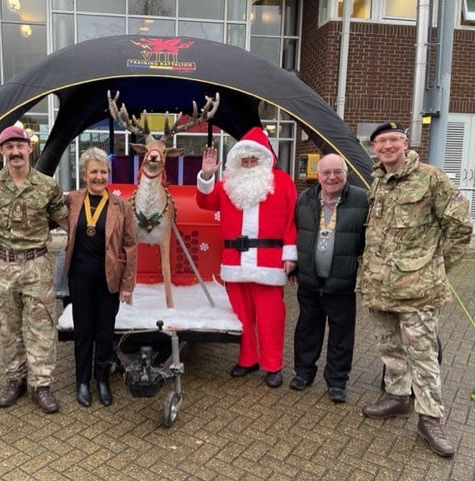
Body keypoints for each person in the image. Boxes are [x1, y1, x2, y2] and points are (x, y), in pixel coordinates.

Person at [357, 121, 473, 457]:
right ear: (374, 148)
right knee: (390, 349)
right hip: (380, 285)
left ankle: (430, 419)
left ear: (405, 143)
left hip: (419, 289)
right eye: (381, 141)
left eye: (394, 139)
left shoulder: (431, 177)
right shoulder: (378, 180)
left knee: (423, 357)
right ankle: (397, 398)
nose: (387, 146)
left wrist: (436, 269)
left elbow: (460, 228)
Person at [196, 127, 297, 388]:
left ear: (264, 160)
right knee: (240, 315)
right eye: (245, 160)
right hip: (235, 261)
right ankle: (247, 359)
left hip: (269, 261)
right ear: (238, 162)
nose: (249, 164)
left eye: (254, 160)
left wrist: (290, 254)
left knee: (270, 317)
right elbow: (205, 202)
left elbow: (291, 221)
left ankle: (273, 365)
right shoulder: (227, 184)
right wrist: (206, 175)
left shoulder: (283, 182)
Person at [0, 125, 69, 414]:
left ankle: (41, 385)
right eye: (10, 147)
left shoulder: (47, 185)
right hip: (4, 265)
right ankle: (14, 380)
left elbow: (63, 218)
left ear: (30, 148)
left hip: (38, 265)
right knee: (8, 327)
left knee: (41, 326)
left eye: (21, 146)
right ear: (2, 151)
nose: (16, 152)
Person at [289, 154, 368, 403]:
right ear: (318, 175)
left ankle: (336, 382)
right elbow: (295, 234)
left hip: (342, 281)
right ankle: (303, 373)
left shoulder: (363, 199)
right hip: (310, 280)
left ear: (346, 173)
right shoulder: (305, 199)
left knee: (341, 335)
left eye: (337, 172)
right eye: (326, 172)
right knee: (306, 331)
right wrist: (294, 268)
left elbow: (370, 241)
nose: (332, 177)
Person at [63, 147, 137, 407]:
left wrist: (127, 285)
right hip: (79, 277)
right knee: (83, 331)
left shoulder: (121, 205)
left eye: (103, 171)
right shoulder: (72, 200)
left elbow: (130, 245)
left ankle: (102, 379)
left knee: (105, 331)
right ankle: (82, 381)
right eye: (93, 171)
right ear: (84, 175)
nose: (99, 176)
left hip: (109, 279)